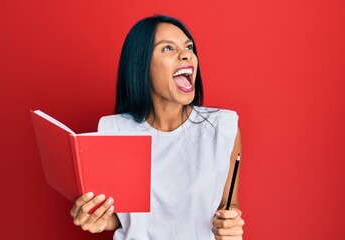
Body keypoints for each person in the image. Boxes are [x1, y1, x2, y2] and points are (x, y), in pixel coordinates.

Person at [70, 15, 245, 239]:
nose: (186, 54)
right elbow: (121, 216)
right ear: (141, 65)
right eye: (168, 48)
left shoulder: (223, 128)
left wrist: (231, 223)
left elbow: (228, 205)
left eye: (188, 46)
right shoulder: (114, 129)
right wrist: (96, 218)